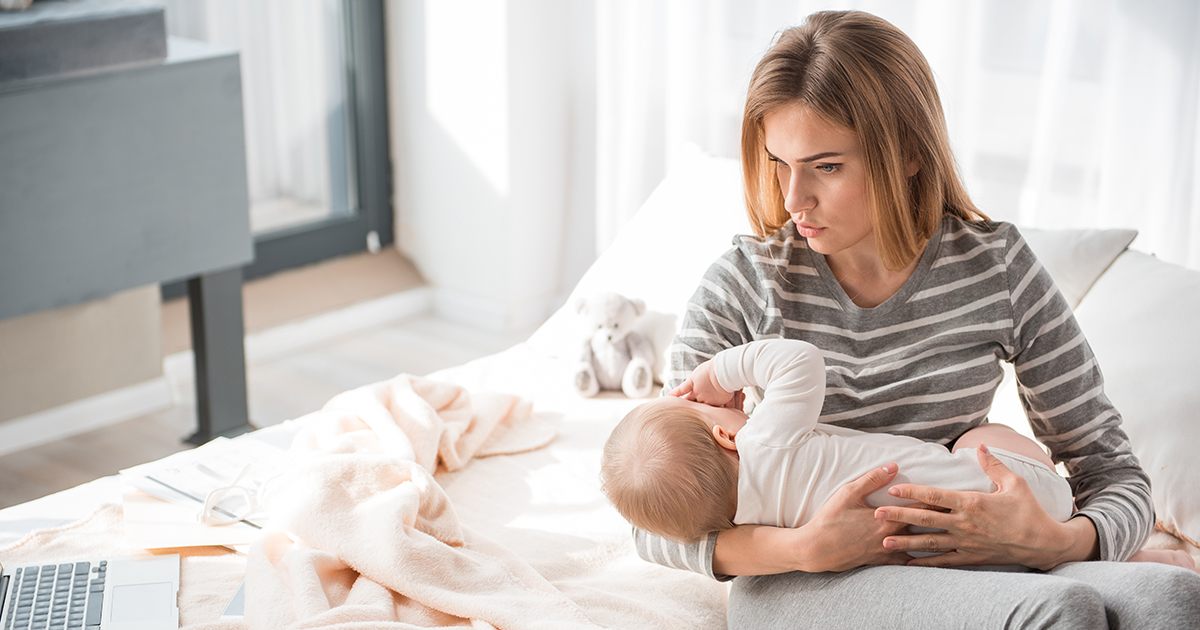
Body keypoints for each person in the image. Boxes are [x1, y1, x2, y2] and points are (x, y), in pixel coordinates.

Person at [630, 9, 1200, 629]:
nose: (794, 201)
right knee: (1061, 611)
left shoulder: (997, 271)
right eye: (778, 164)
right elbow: (657, 513)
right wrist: (806, 548)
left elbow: (1112, 472)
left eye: (826, 166)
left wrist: (1057, 542)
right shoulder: (745, 282)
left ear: (905, 153)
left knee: (1173, 602)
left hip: (976, 555)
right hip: (807, 582)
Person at [603, 339, 1194, 570]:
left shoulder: (744, 520)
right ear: (725, 436)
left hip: (964, 556)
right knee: (976, 438)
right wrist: (718, 370)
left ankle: (1085, 559)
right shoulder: (764, 436)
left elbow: (668, 526)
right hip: (1021, 496)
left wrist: (1064, 542)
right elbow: (799, 363)